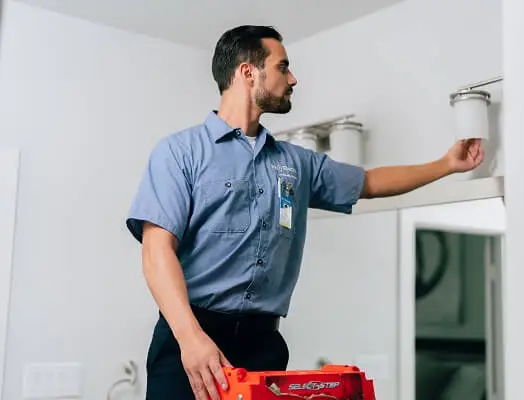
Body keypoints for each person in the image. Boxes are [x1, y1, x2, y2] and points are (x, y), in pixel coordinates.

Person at [126, 25, 484, 400]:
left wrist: (445, 164)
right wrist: (191, 338)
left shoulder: (296, 164)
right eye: (283, 67)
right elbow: (156, 251)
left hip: (263, 345)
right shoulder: (180, 153)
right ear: (248, 72)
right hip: (190, 339)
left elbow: (370, 182)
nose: (293, 78)